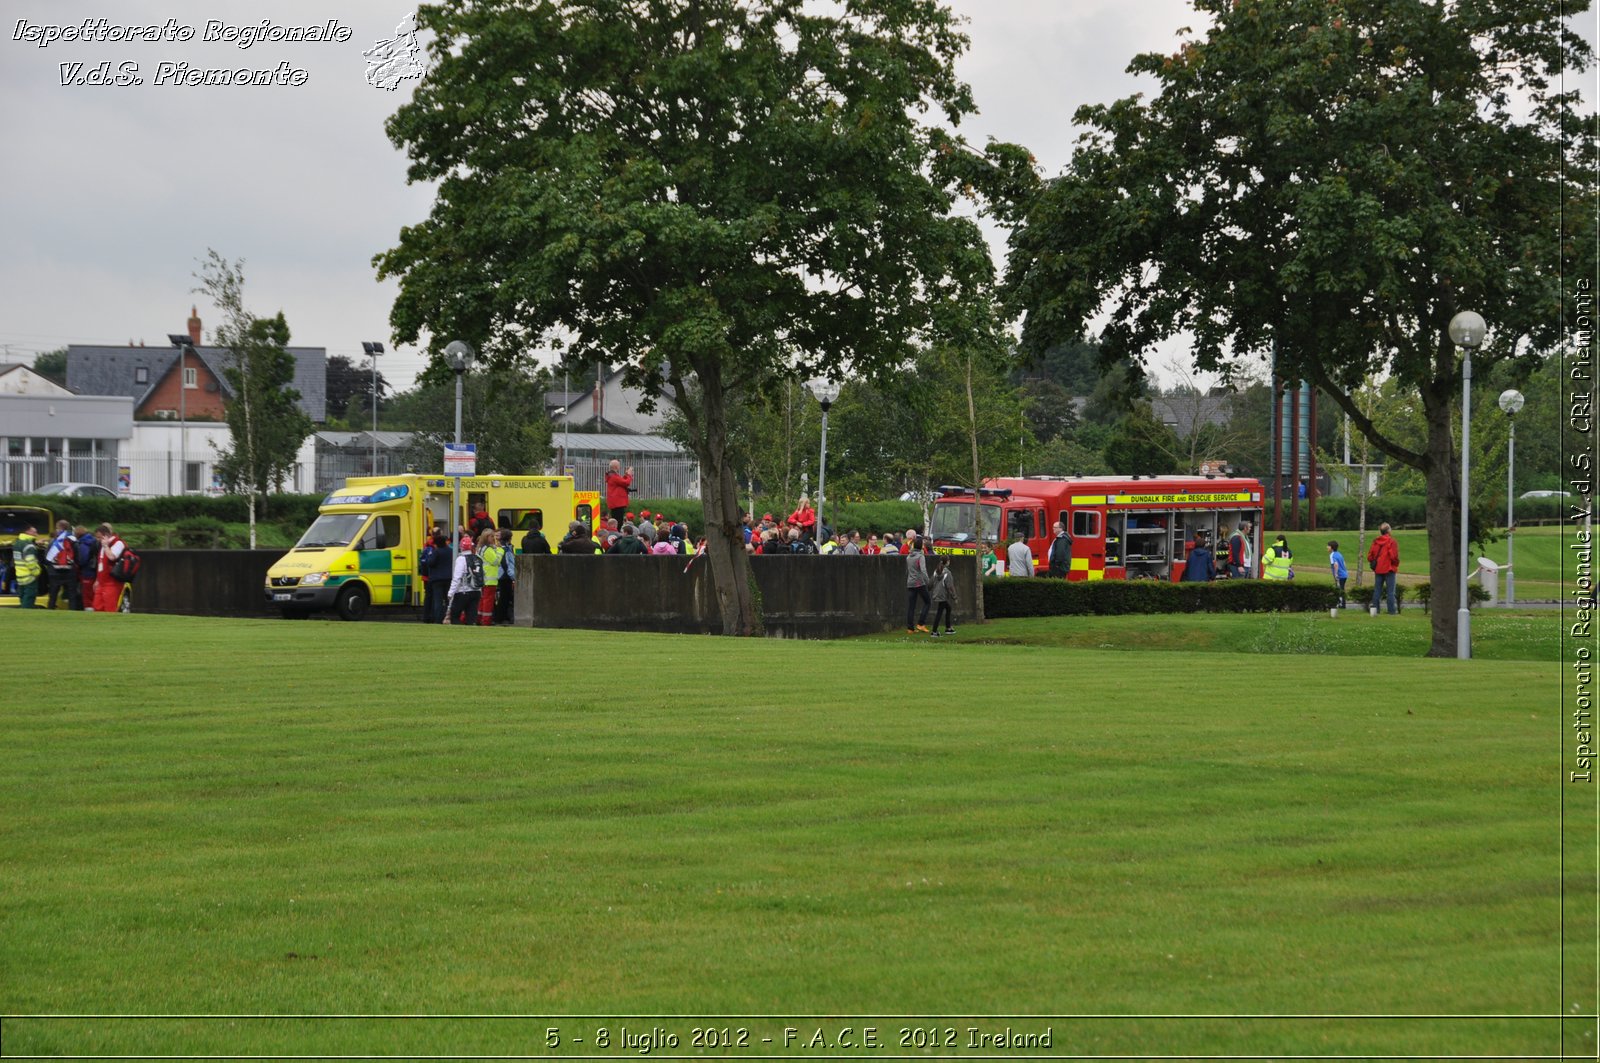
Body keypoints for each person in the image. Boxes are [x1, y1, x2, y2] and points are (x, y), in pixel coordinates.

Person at [92, 523, 127, 613]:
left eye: (99, 537)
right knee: (97, 606)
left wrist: (106, 546)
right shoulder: (102, 545)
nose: (98, 540)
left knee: (110, 608)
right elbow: (101, 563)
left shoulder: (118, 543)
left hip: (112, 582)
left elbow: (112, 557)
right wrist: (97, 580)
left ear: (106, 535)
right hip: (102, 581)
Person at [44, 519, 79, 610]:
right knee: (72, 595)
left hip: (54, 572)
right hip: (70, 572)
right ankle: (73, 612)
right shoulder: (73, 541)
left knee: (53, 595)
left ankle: (50, 611)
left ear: (58, 528)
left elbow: (47, 557)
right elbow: (78, 557)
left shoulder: (54, 541)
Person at [1367, 522, 1400, 615]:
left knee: (1377, 590)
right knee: (1390, 591)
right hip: (1389, 568)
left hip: (1378, 569)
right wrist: (1395, 564)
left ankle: (1375, 610)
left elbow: (1370, 556)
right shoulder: (1392, 541)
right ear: (1388, 530)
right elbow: (1394, 556)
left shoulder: (1375, 541)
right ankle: (1391, 611)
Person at [421, 530, 452, 623]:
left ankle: (438, 619)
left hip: (437, 579)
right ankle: (448, 618)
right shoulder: (450, 551)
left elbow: (430, 563)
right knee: (447, 600)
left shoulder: (436, 552)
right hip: (448, 578)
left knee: (437, 600)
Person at [905, 535, 931, 633]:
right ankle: (921, 623)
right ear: (920, 546)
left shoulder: (908, 557)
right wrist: (928, 582)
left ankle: (910, 628)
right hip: (919, 583)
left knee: (911, 606)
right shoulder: (920, 556)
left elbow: (908, 571)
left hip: (910, 583)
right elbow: (923, 570)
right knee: (928, 602)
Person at [493, 528, 518, 625]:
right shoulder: (506, 550)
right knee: (504, 598)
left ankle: (500, 617)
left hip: (502, 575)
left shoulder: (502, 548)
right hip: (505, 576)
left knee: (504, 598)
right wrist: (513, 576)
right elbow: (507, 564)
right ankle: (500, 618)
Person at [12, 526, 42, 609]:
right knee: (29, 597)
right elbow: (30, 561)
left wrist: (35, 543)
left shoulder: (17, 543)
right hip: (29, 576)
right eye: (34, 532)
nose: (36, 534)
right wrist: (37, 572)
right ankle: (25, 614)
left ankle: (22, 613)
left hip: (19, 575)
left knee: (22, 595)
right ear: (28, 532)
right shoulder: (29, 546)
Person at [929, 555, 957, 636]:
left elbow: (931, 582)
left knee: (948, 608)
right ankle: (934, 631)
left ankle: (948, 628)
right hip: (943, 595)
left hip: (937, 594)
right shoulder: (947, 573)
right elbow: (950, 587)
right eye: (949, 560)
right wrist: (954, 597)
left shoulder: (936, 571)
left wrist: (929, 589)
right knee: (940, 612)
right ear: (947, 562)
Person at [75, 524, 99, 610]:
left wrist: (78, 564)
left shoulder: (84, 544)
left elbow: (83, 559)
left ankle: (89, 611)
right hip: (95, 571)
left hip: (87, 572)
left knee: (87, 595)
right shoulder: (93, 540)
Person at [604, 459, 634, 524]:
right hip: (618, 503)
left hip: (615, 503)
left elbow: (621, 481)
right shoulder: (614, 476)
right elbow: (626, 483)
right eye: (619, 465)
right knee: (618, 522)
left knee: (617, 520)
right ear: (616, 467)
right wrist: (629, 475)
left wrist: (626, 475)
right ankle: (616, 533)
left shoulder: (612, 476)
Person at [1327, 539, 1348, 608]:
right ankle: (1343, 604)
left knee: (1339, 590)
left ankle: (1341, 605)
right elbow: (1344, 563)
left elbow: (1335, 564)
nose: (1327, 547)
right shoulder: (1339, 554)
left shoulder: (1332, 555)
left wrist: (1336, 574)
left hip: (1340, 575)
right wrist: (1345, 570)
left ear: (1332, 547)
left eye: (1328, 546)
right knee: (1342, 589)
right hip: (1344, 574)